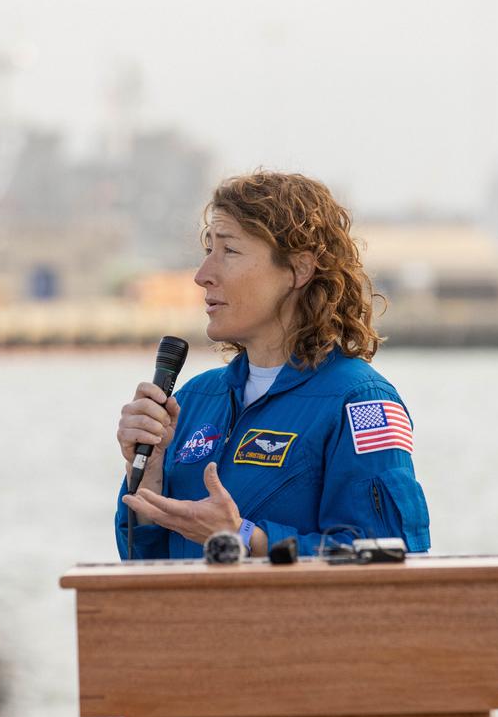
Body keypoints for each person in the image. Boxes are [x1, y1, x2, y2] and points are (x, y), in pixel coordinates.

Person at [115, 171, 430, 560]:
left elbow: (391, 558)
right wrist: (150, 468)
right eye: (208, 250)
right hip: (195, 621)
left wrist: (245, 537)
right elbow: (141, 563)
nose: (202, 276)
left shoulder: (362, 403)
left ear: (299, 270)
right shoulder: (193, 400)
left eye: (228, 252)